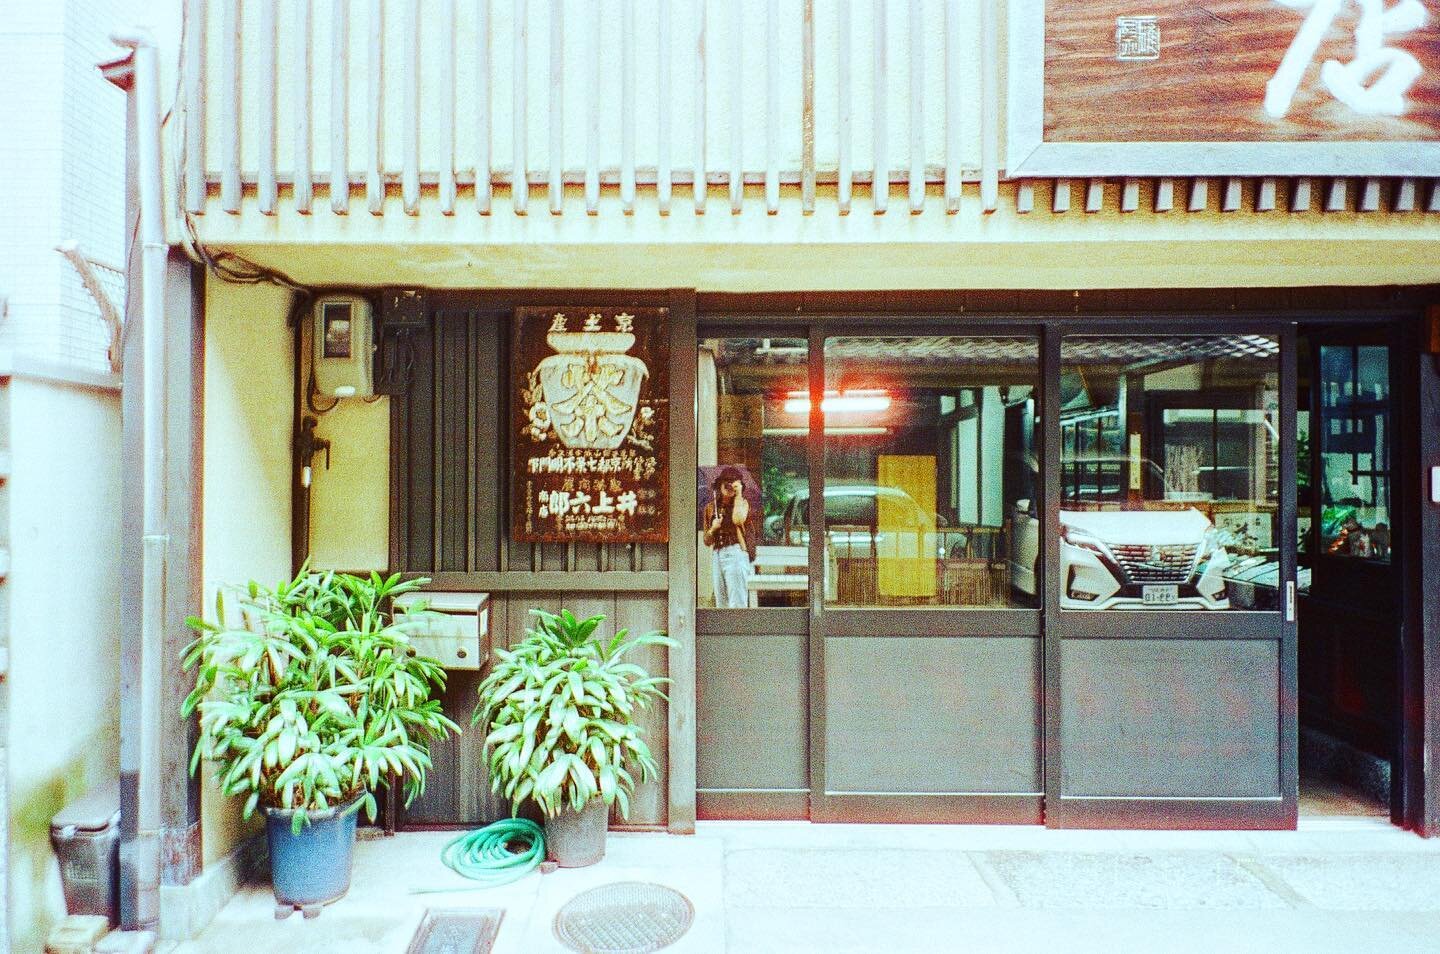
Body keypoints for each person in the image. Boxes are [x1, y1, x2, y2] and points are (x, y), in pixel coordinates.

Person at [703, 468, 753, 608]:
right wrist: (713, 528)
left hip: (735, 551)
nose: (729, 486)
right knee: (721, 602)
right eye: (726, 483)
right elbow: (707, 541)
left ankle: (738, 630)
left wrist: (738, 495)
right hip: (717, 554)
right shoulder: (711, 508)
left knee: (737, 602)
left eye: (733, 483)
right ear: (719, 485)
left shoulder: (742, 503)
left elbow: (738, 519)